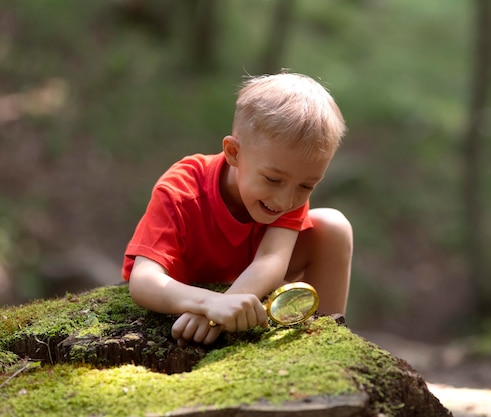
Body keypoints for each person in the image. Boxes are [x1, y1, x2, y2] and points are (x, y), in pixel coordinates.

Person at [122, 72, 352, 346]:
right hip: (180, 296)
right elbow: (144, 281)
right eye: (272, 180)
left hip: (240, 285)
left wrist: (225, 306)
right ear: (233, 152)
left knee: (333, 227)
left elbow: (271, 261)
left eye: (307, 186)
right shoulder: (182, 188)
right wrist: (210, 304)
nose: (285, 200)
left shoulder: (289, 188)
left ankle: (323, 344)